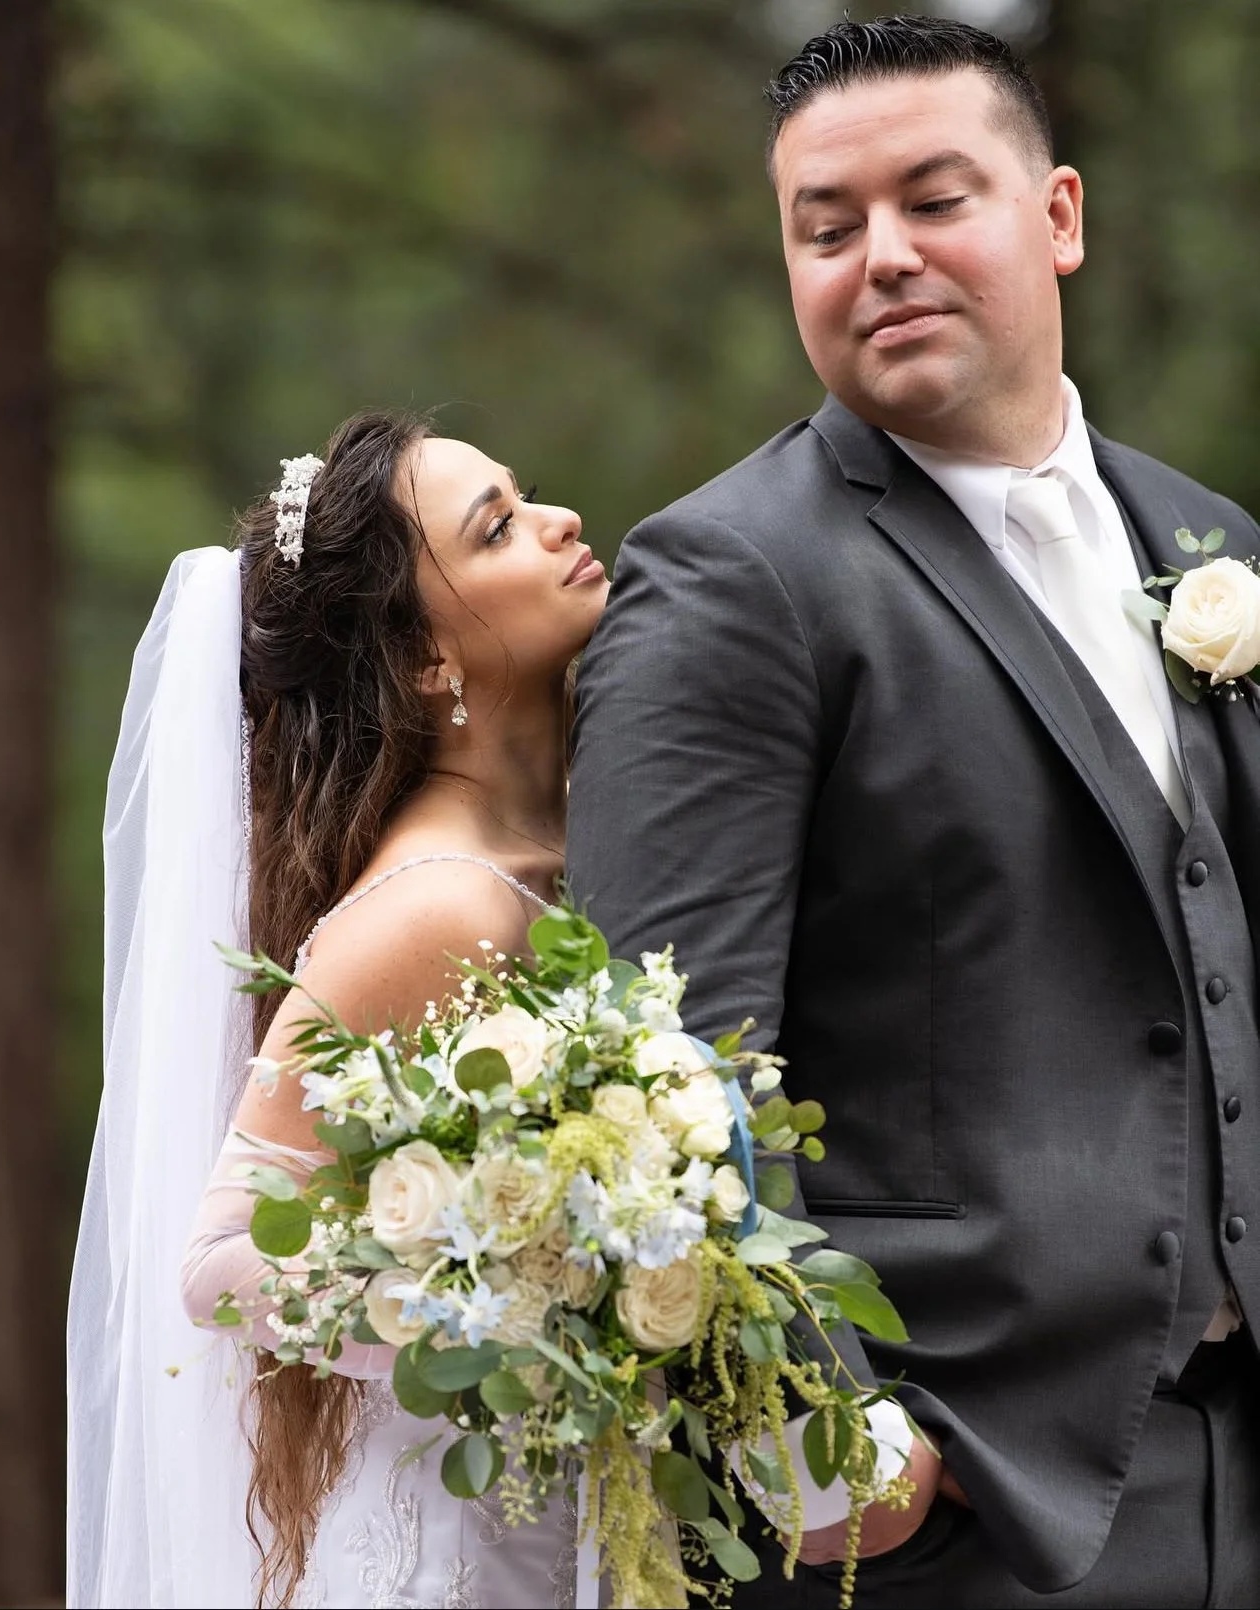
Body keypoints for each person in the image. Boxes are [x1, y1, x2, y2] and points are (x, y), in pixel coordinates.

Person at [567, 16, 1260, 1609]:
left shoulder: (1205, 536)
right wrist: (845, 1460)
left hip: (1229, 1477)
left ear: (1059, 216)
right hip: (961, 1515)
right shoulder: (733, 578)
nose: (878, 256)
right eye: (825, 226)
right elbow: (661, 1070)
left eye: (932, 201)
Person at [66, 410, 608, 1608]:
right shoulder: (434, 907)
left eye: (524, 493)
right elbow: (216, 1262)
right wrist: (527, 1316)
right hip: (454, 1553)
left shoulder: (582, 830)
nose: (559, 521)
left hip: (564, 1513)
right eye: (501, 528)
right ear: (426, 660)